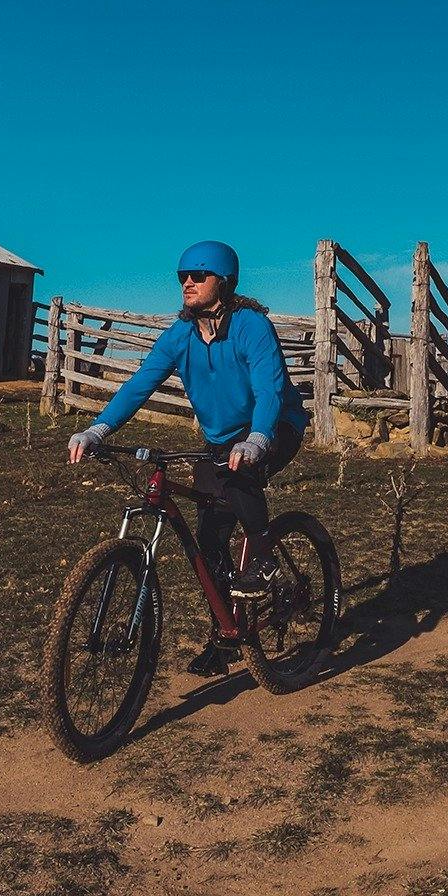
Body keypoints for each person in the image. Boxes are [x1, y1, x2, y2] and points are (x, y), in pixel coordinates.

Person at [67, 241, 309, 675]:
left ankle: (264, 556)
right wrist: (98, 429)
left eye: (199, 275)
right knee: (209, 539)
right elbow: (140, 384)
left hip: (274, 426)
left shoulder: (251, 326)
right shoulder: (180, 335)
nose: (188, 283)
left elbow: (269, 389)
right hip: (219, 441)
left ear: (225, 281)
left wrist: (258, 439)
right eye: (183, 277)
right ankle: (226, 636)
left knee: (238, 477)